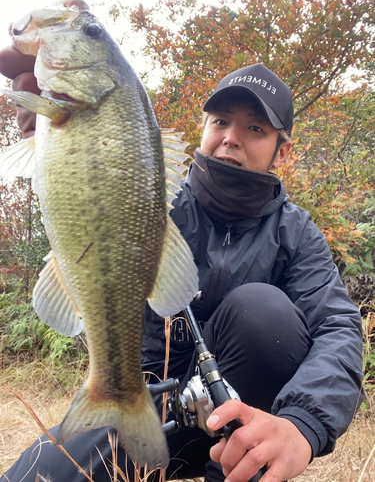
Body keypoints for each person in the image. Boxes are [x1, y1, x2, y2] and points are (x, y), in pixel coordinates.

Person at [0, 45, 363, 482]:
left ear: (282, 153)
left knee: (264, 313)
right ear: (203, 126)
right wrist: (54, 151)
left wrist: (303, 425)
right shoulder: (149, 197)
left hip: (238, 426)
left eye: (255, 128)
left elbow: (338, 327)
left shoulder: (297, 233)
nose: (232, 136)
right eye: (221, 121)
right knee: (32, 475)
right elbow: (86, 214)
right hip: (142, 402)